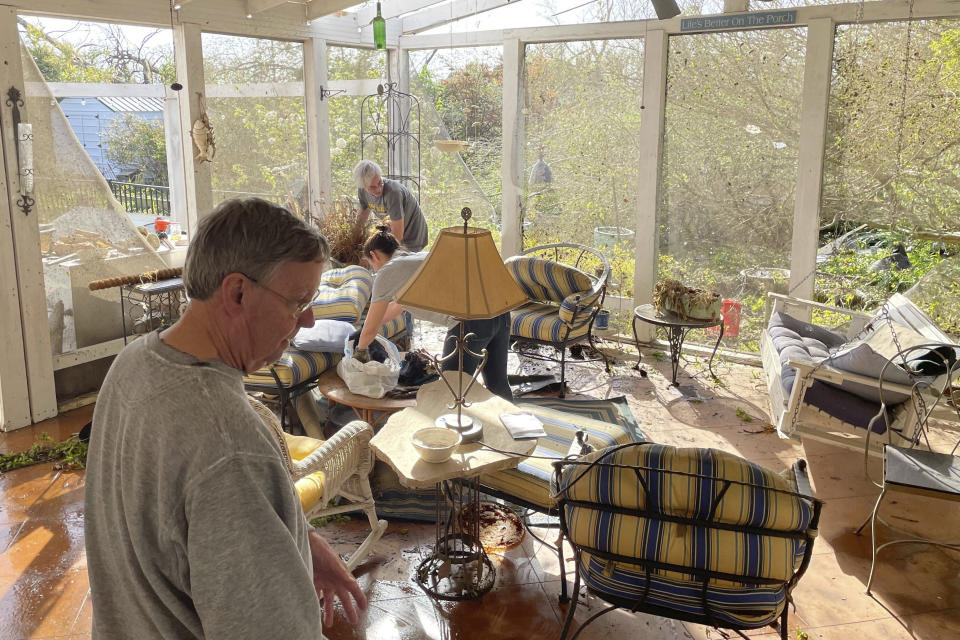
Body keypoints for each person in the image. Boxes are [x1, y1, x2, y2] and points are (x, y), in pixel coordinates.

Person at [84, 198, 367, 639]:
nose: (307, 322)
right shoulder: (230, 444)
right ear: (237, 292)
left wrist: (301, 539)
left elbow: (180, 520)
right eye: (298, 302)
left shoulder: (133, 363)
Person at [353, 225, 512, 401]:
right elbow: (393, 310)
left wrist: (358, 353)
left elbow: (370, 331)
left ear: (374, 255)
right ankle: (515, 427)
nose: (374, 270)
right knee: (498, 385)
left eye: (371, 264)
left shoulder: (387, 272)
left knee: (450, 392)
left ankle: (453, 428)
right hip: (500, 312)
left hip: (470, 323)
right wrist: (365, 327)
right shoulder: (415, 261)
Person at [354, 160, 428, 252]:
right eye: (372, 187)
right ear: (363, 187)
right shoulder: (362, 191)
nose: (378, 189)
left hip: (412, 237)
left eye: (379, 182)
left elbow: (397, 234)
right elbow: (361, 218)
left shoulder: (393, 193)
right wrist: (354, 239)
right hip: (394, 233)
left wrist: (374, 253)